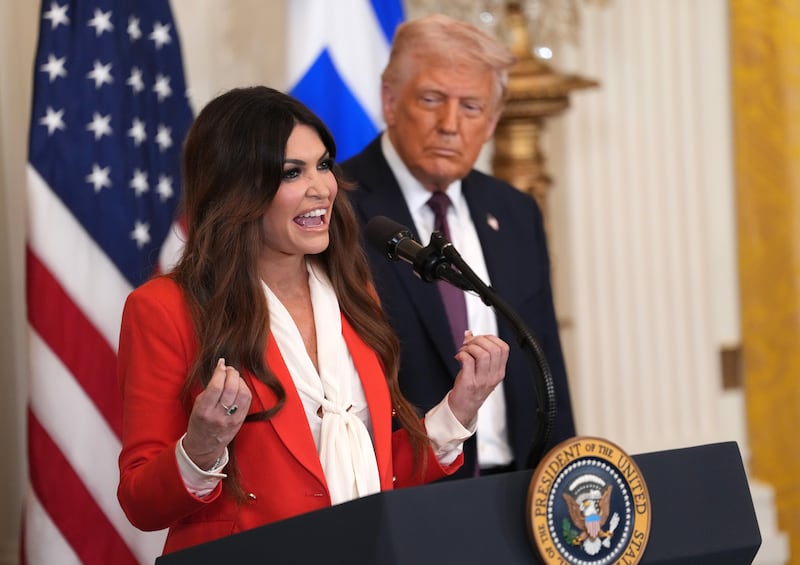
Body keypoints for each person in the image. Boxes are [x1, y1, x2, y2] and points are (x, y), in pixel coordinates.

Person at [116, 86, 509, 554]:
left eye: (323, 165)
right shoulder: (164, 308)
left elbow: (378, 475)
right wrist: (200, 447)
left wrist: (458, 410)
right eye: (292, 173)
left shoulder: (352, 291)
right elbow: (141, 503)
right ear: (235, 188)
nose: (322, 187)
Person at [342, 14, 575, 480]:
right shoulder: (338, 208)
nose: (450, 125)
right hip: (404, 489)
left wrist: (563, 480)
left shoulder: (514, 211)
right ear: (390, 101)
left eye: (471, 107)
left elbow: (543, 356)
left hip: (517, 485)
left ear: (491, 123)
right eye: (431, 100)